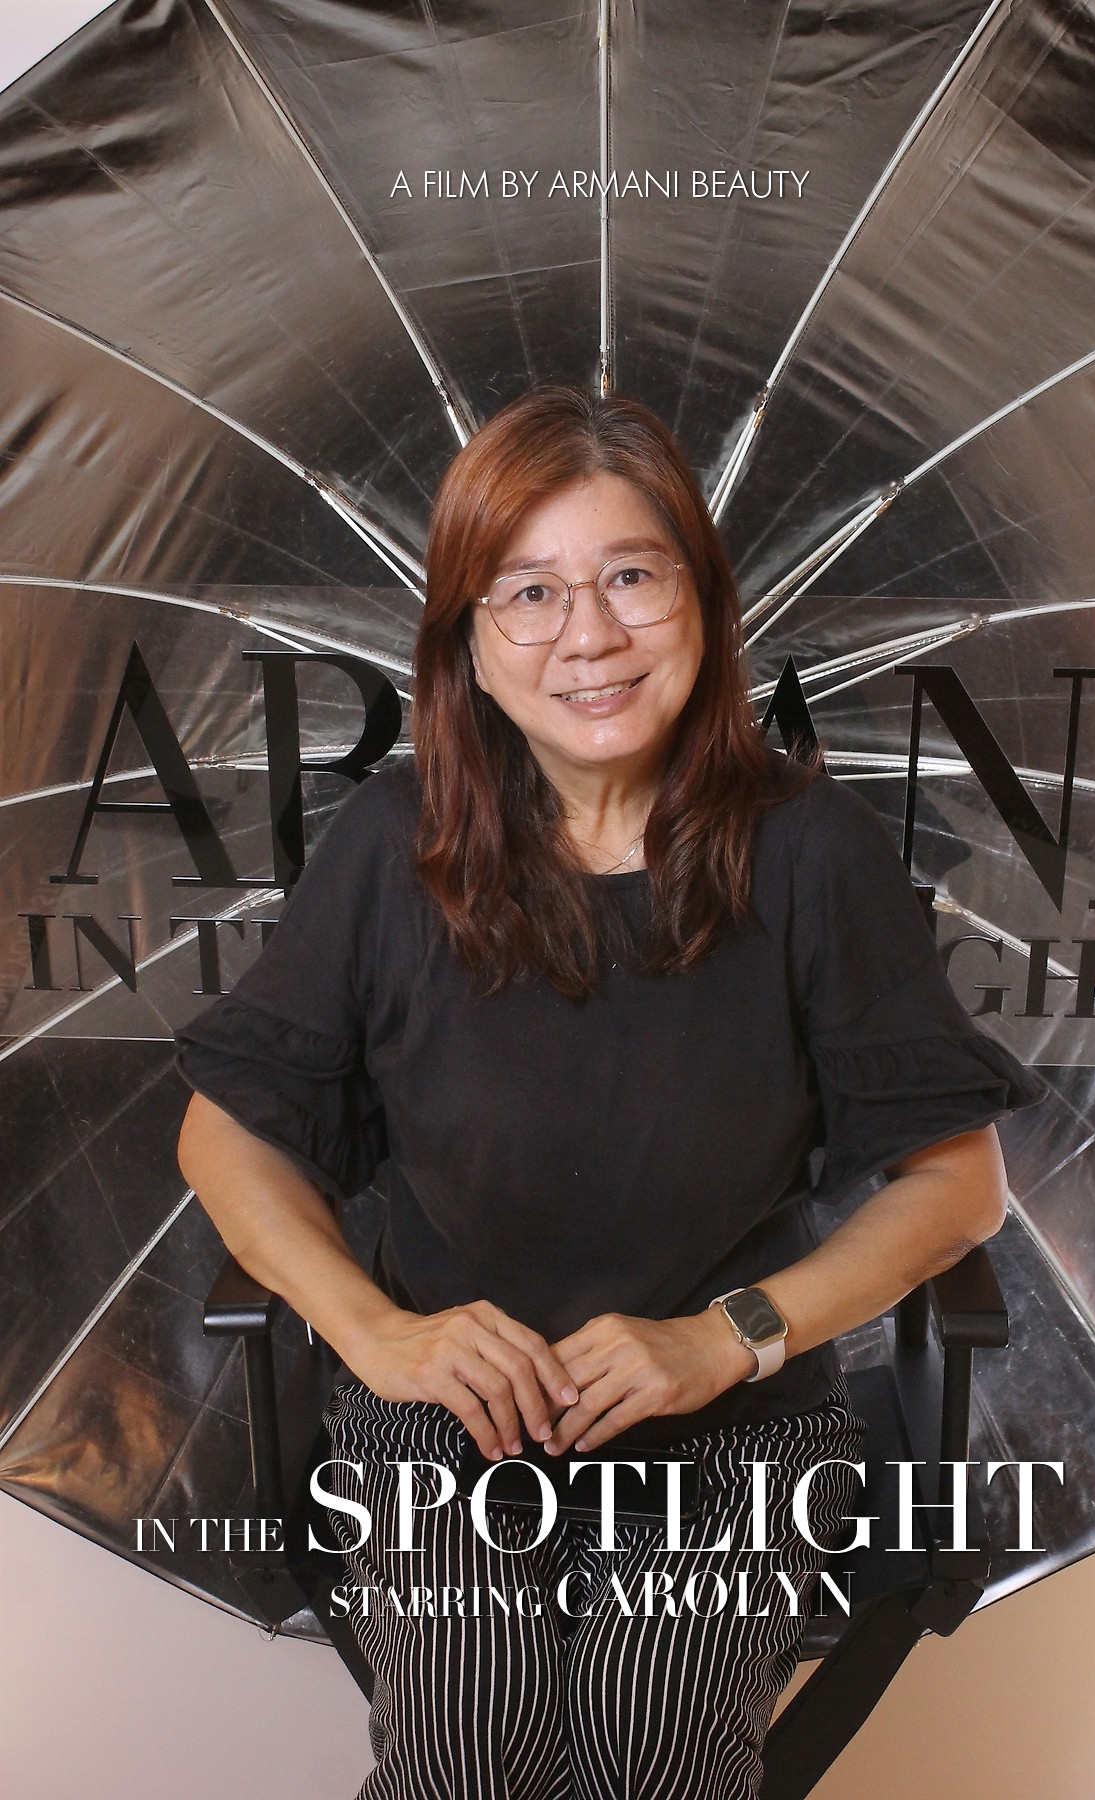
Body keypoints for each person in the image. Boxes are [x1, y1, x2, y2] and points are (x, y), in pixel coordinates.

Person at [175, 384, 1044, 1800]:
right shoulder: (392, 846)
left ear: (699, 600)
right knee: (470, 1736)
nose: (589, 635)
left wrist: (726, 1338)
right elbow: (225, 1132)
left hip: (732, 1426)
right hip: (446, 1424)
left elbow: (960, 1186)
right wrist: (380, 1336)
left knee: (652, 1745)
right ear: (468, 642)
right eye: (530, 593)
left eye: (632, 576)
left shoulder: (810, 851)